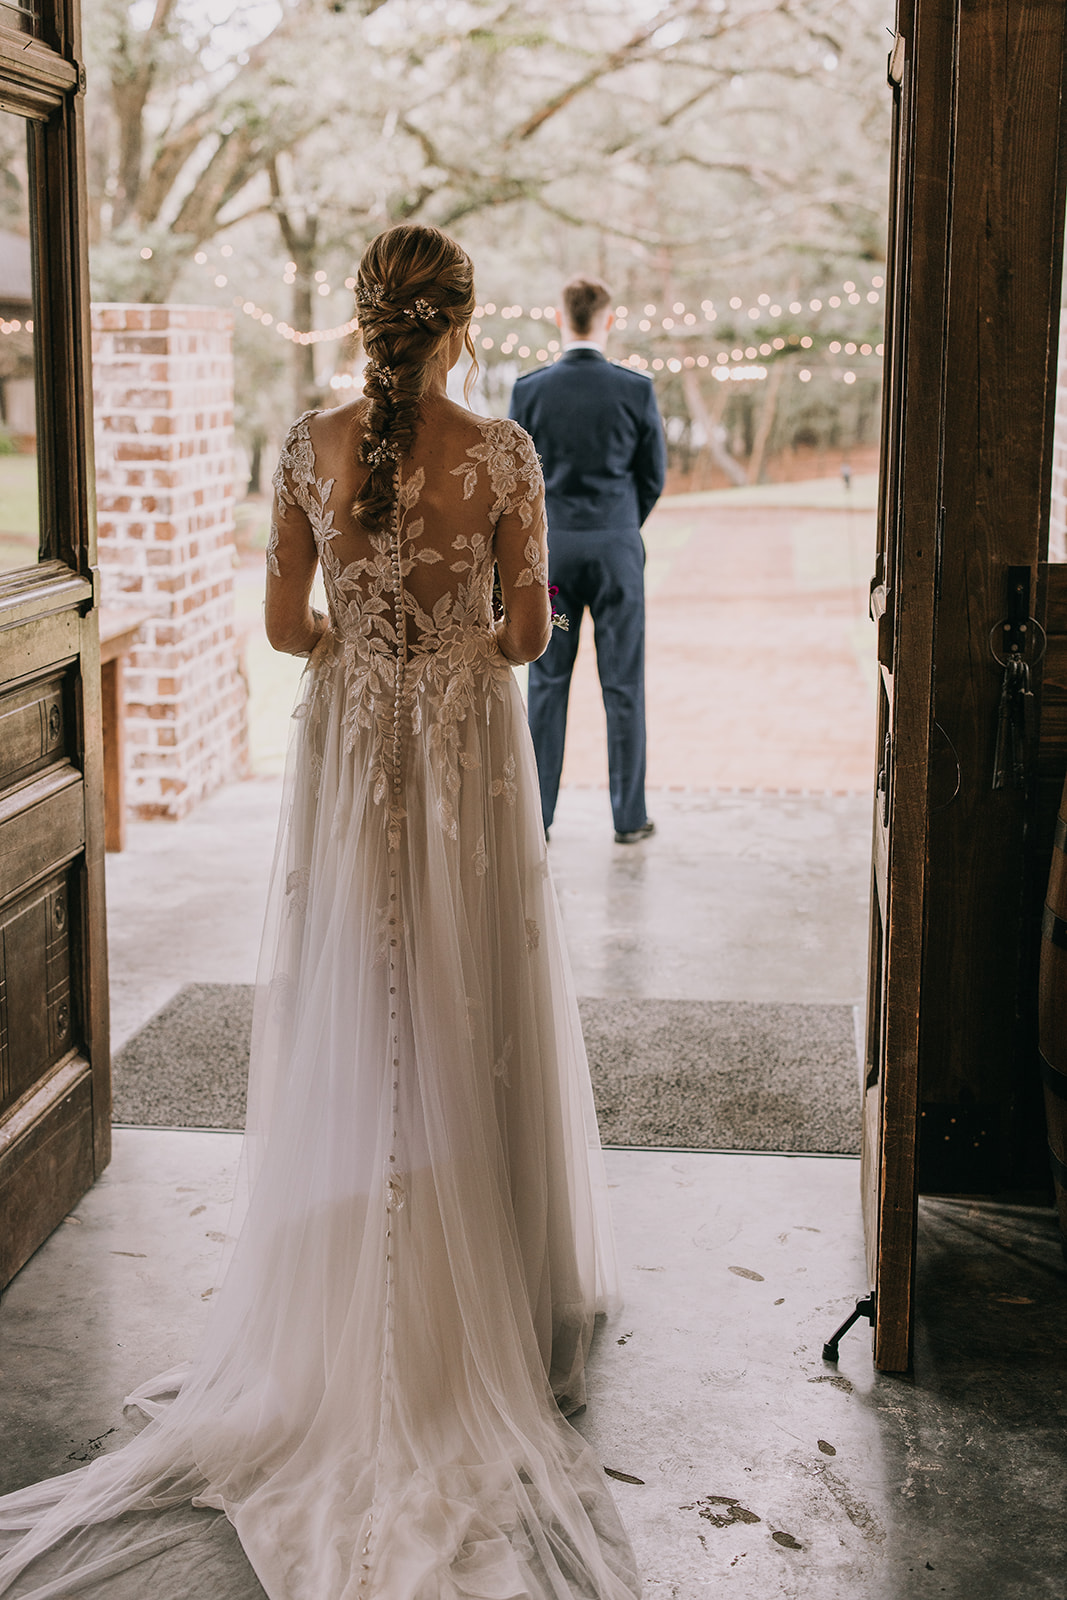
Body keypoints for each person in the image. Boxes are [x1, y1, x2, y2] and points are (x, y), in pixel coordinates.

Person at [0, 226, 640, 1600]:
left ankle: (351, 1264)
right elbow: (530, 645)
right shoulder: (503, 454)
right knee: (468, 997)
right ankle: (485, 1289)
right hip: (464, 761)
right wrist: (461, 616)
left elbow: (287, 631)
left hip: (354, 766)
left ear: (367, 325)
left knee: (364, 994)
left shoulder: (304, 445)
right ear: (460, 323)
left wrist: (367, 621)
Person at [508, 278, 666, 844]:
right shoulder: (635, 390)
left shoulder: (530, 391)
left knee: (549, 679)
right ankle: (628, 819)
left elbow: (517, 477)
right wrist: (620, 526)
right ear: (608, 320)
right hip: (617, 561)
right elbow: (653, 477)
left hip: (554, 567)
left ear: (560, 318)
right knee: (622, 684)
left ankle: (539, 817)